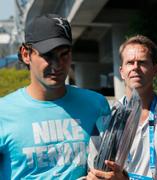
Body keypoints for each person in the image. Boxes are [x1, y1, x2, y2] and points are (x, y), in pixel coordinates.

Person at [0, 14, 111, 179]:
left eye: (64, 54)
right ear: (25, 54)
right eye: (48, 55)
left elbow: (112, 165)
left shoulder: (97, 104)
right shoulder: (4, 112)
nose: (57, 64)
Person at [87, 35, 157, 180]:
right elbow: (94, 173)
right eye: (130, 62)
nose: (136, 67)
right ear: (121, 71)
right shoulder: (104, 119)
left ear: (156, 70)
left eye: (142, 62)